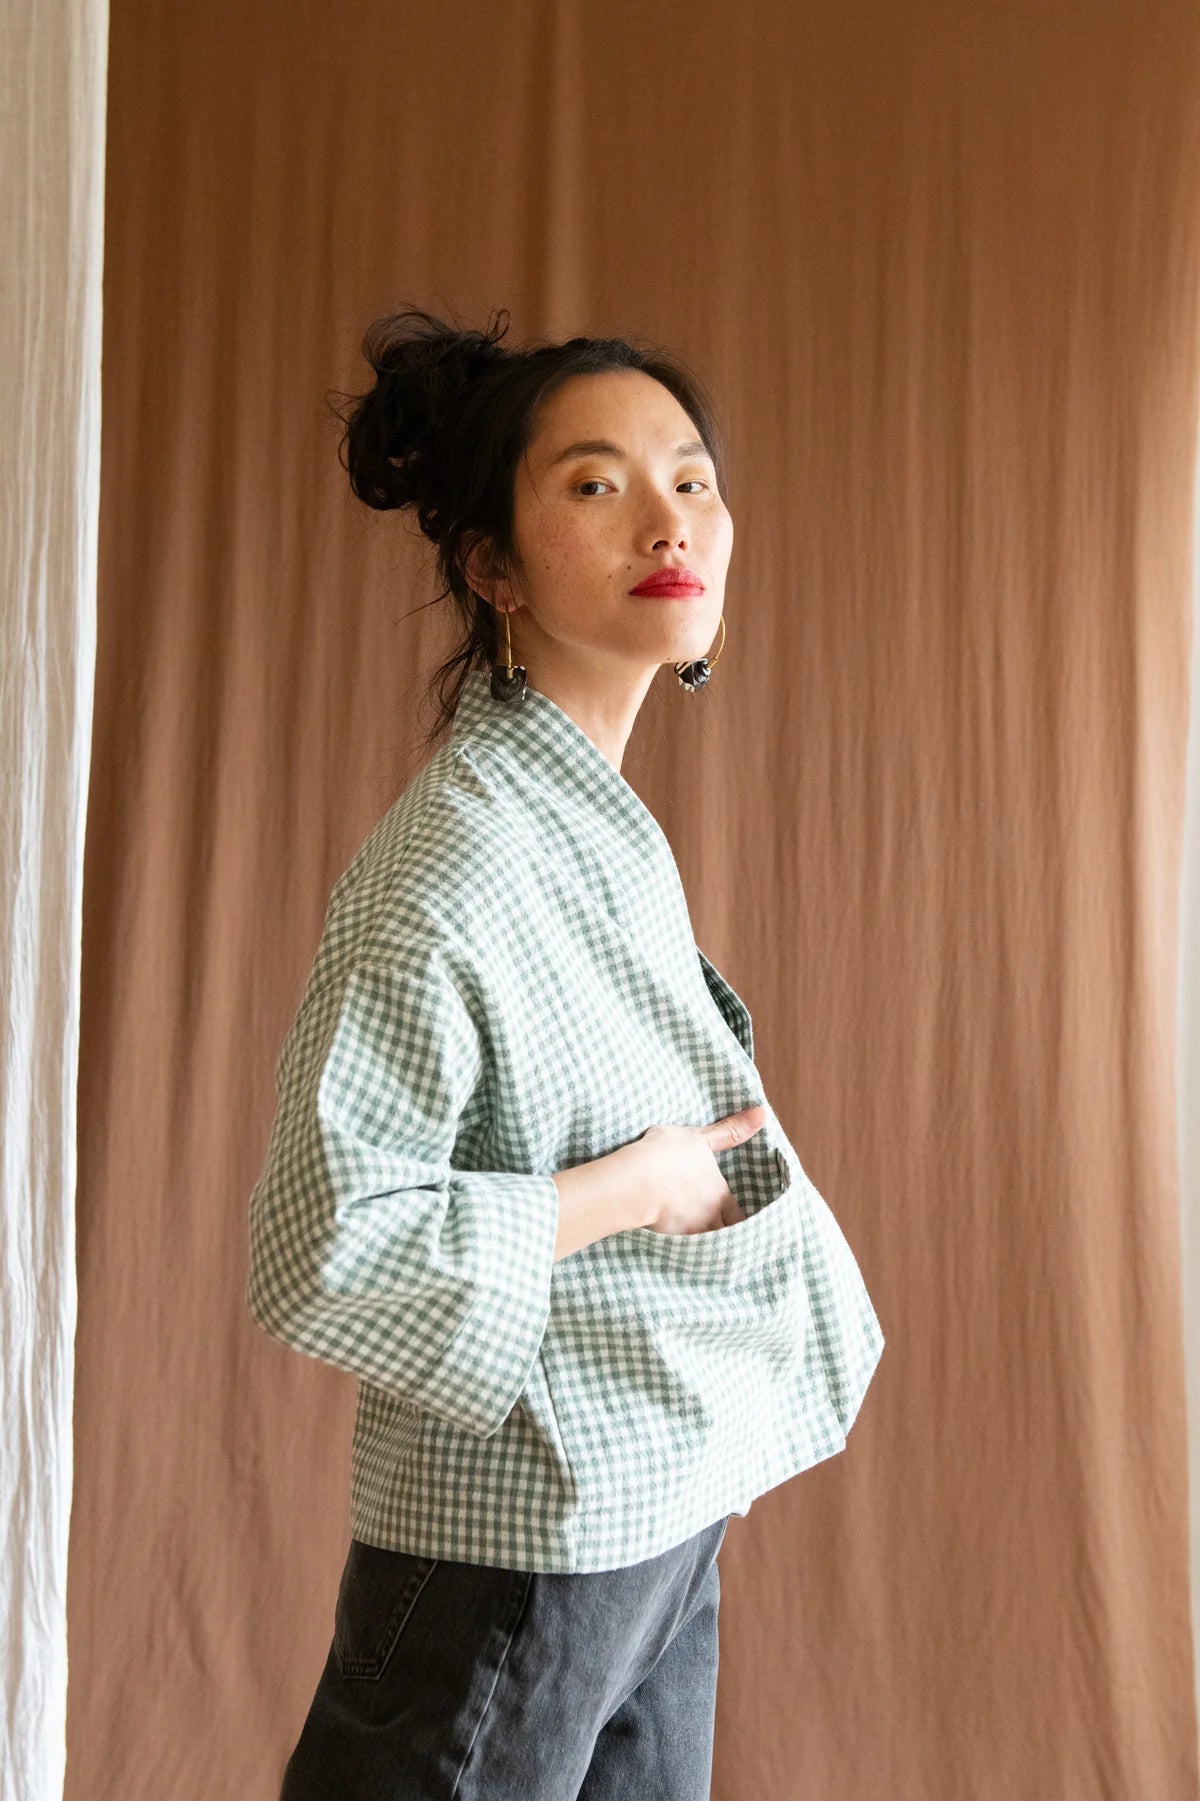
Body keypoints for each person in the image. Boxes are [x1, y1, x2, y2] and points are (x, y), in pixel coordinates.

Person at [245, 305, 885, 1800]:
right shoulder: (458, 858)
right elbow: (324, 1244)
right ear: (494, 567)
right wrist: (634, 1187)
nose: (670, 518)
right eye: (597, 485)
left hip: (650, 1500)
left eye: (691, 477)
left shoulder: (584, 818)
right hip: (516, 1545)